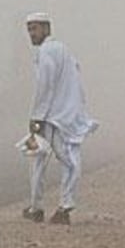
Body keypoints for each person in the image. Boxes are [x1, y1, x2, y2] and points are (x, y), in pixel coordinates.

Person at [22, 12, 99, 225]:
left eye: (34, 29)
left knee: (58, 160)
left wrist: (36, 117)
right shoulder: (63, 50)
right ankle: (43, 207)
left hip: (52, 117)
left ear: (46, 29)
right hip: (64, 114)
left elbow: (44, 86)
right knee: (57, 160)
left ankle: (59, 208)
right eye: (29, 29)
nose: (31, 34)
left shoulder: (47, 52)